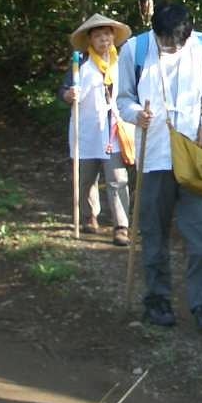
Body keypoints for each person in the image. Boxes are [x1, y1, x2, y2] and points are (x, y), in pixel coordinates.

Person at [116, 2, 202, 330]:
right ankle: (157, 300)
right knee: (153, 233)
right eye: (166, 42)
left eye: (178, 42)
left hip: (195, 154)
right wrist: (137, 114)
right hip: (154, 156)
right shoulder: (135, 50)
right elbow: (123, 99)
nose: (172, 47)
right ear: (156, 32)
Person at [59, 13, 134, 246]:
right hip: (87, 130)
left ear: (113, 37)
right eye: (98, 36)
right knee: (85, 179)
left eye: (107, 35)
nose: (104, 40)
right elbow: (63, 90)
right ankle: (89, 216)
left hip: (114, 130)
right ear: (90, 40)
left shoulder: (123, 63)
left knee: (118, 179)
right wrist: (69, 95)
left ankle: (121, 226)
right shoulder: (80, 64)